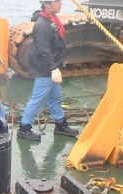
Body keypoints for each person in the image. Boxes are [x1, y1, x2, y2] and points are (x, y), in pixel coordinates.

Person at [17, 0, 78, 140]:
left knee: (55, 98)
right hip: (44, 68)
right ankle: (24, 128)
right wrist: (53, 68)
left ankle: (60, 124)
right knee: (37, 100)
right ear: (47, 4)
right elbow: (44, 49)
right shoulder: (42, 24)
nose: (61, 4)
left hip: (51, 66)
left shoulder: (51, 19)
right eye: (57, 1)